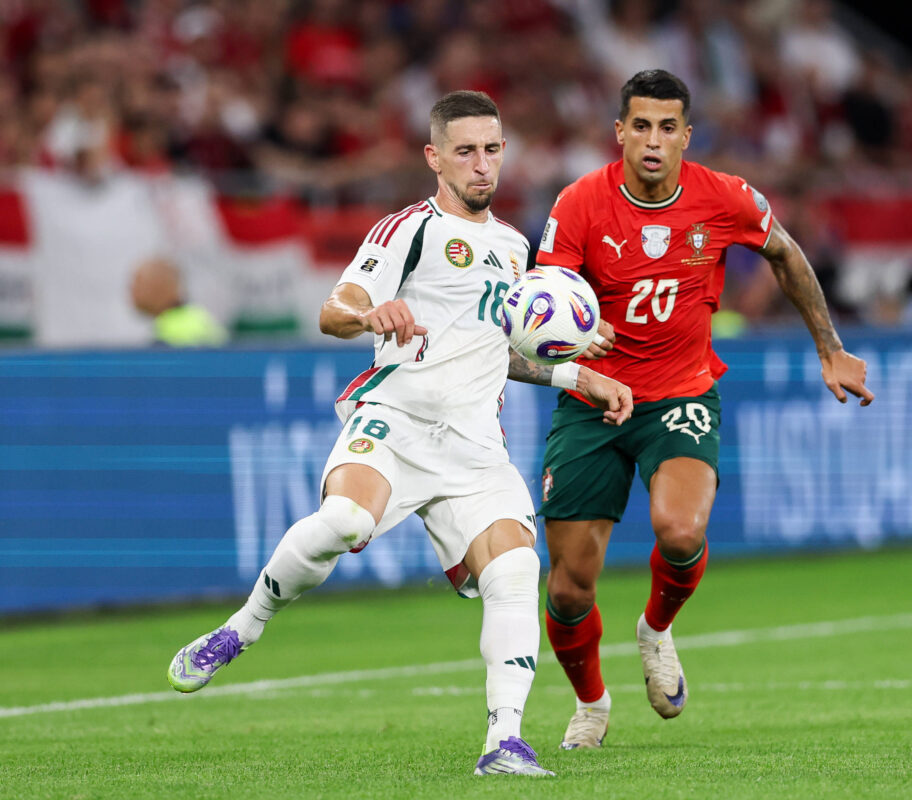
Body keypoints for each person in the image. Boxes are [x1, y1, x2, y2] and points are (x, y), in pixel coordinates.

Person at [166, 90, 633, 777]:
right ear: (435, 156)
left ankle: (504, 743)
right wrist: (371, 316)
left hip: (474, 445)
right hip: (397, 422)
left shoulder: (512, 247)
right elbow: (335, 310)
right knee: (343, 522)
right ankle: (242, 628)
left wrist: (572, 377)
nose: (482, 165)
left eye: (492, 149)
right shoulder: (405, 230)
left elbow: (489, 348)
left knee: (516, 569)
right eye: (466, 150)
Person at [533, 70, 873, 750]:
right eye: (640, 126)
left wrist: (829, 346)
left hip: (681, 391)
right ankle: (592, 704)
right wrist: (571, 337)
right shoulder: (578, 206)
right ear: (619, 133)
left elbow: (784, 252)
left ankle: (656, 629)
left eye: (667, 128)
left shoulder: (725, 198)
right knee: (569, 589)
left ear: (687, 136)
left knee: (681, 530)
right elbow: (546, 300)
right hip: (593, 399)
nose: (653, 141)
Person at [129, 257, 228, 347]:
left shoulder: (174, 331)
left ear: (163, 287)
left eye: (138, 281)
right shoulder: (197, 318)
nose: (132, 289)